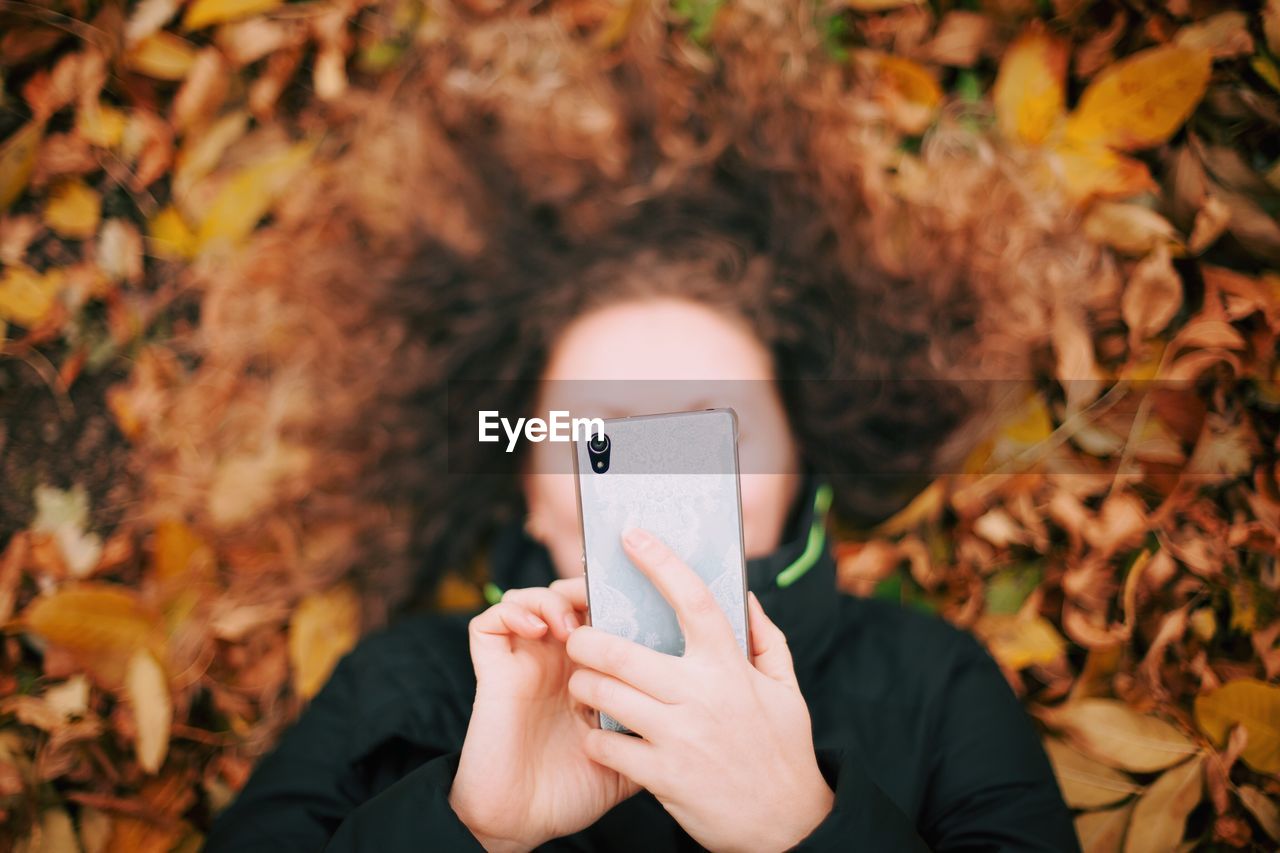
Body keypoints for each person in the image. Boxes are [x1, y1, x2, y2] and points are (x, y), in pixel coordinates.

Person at [204, 177, 1080, 852]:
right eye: (599, 435)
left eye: (714, 429)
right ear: (530, 492)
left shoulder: (932, 679)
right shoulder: (396, 683)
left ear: (794, 468)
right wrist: (469, 829)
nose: (654, 474)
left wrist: (801, 826)